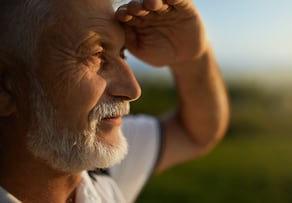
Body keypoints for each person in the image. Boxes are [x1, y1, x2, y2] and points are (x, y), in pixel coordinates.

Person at [0, 0, 229, 202]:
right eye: (96, 55)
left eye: (122, 54)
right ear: (5, 88)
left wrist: (191, 58)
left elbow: (197, 132)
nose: (132, 89)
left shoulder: (102, 165)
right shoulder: (95, 157)